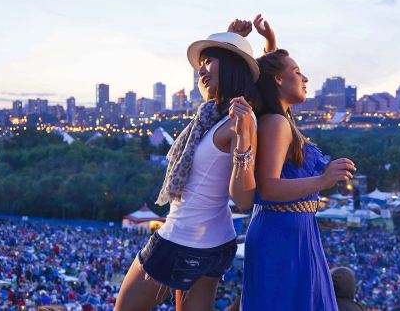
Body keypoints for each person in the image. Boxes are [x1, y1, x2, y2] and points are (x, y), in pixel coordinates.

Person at [115, 25, 262, 311]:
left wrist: (244, 138)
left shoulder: (239, 121)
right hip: (214, 243)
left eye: (209, 62)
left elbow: (243, 200)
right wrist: (232, 40)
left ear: (231, 67)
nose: (201, 71)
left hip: (181, 240)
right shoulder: (214, 116)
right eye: (201, 64)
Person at [241, 20, 357, 310]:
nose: (305, 78)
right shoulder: (277, 123)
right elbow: (267, 188)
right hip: (283, 235)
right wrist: (322, 180)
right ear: (279, 80)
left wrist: (271, 43)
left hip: (291, 230)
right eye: (297, 72)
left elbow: (268, 76)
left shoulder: (281, 119)